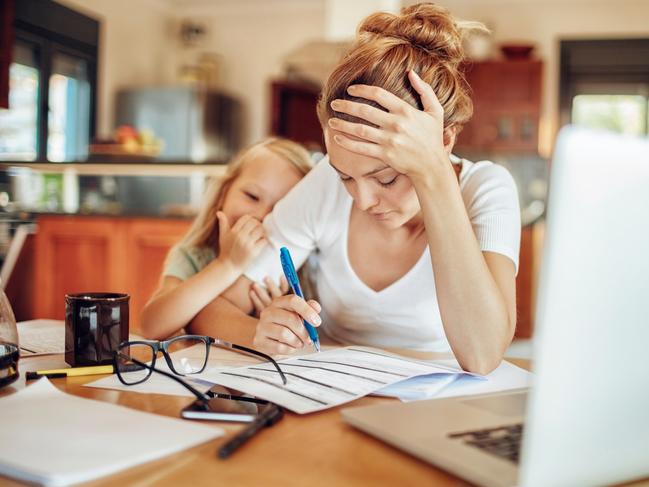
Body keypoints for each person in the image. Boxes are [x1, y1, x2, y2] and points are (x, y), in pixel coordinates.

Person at [189, 3, 520, 375]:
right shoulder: (324, 186)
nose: (362, 200)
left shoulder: (486, 189)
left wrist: (435, 177)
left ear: (443, 141)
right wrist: (261, 332)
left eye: (386, 178)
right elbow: (211, 310)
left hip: (437, 406)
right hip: (333, 396)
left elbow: (483, 355)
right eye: (346, 176)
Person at [139, 137, 314, 340]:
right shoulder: (193, 255)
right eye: (252, 196)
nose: (262, 215)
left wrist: (272, 317)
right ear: (224, 193)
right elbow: (152, 326)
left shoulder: (301, 266)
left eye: (279, 209)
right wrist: (228, 264)